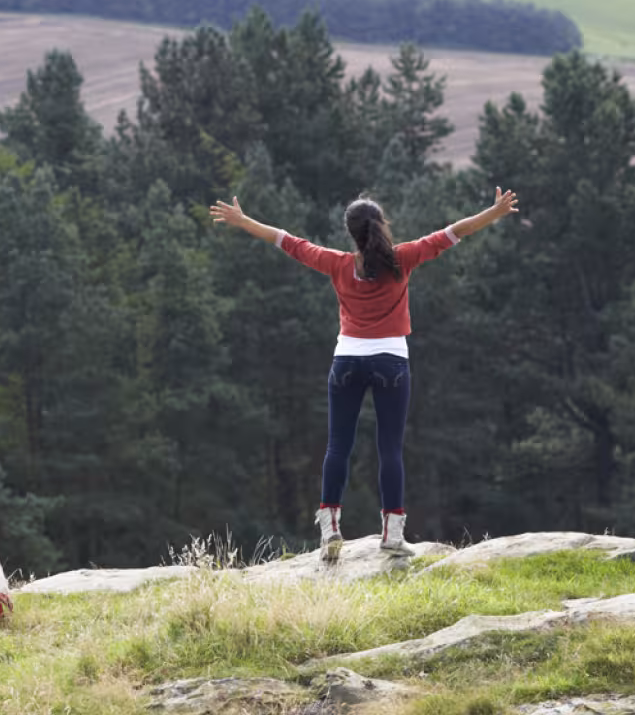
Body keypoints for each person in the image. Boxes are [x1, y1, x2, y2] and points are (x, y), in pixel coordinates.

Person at [210, 188, 519, 561]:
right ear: (381, 225)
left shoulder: (338, 264)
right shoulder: (403, 258)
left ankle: (330, 531)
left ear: (350, 231)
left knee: (338, 445)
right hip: (391, 362)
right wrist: (494, 212)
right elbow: (455, 232)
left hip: (347, 362)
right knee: (389, 448)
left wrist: (243, 221)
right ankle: (392, 534)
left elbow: (286, 241)